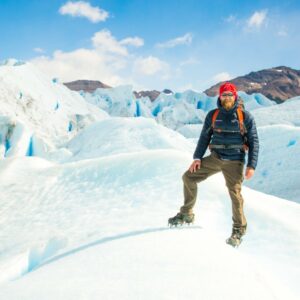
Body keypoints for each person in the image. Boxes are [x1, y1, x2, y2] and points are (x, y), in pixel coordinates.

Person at [168, 82, 259, 247]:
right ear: (220, 96)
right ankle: (187, 213)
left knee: (234, 193)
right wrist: (197, 158)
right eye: (224, 95)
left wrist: (251, 165)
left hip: (235, 160)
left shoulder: (245, 116)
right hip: (215, 157)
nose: (227, 97)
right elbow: (204, 137)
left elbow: (254, 142)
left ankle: (239, 229)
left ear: (235, 96)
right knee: (188, 177)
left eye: (230, 94)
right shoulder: (213, 115)